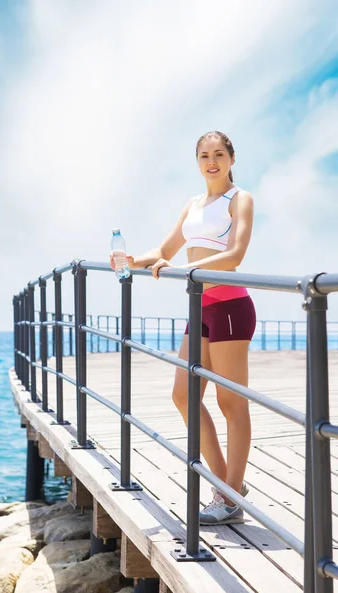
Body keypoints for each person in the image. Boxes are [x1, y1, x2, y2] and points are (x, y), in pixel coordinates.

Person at [110, 131, 256, 525]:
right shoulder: (193, 204)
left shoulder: (239, 199)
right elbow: (164, 253)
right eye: (205, 156)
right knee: (184, 395)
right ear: (197, 162)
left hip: (229, 306)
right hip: (200, 306)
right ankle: (230, 484)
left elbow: (236, 254)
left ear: (231, 158)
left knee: (231, 404)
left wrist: (184, 270)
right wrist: (131, 261)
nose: (212, 162)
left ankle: (228, 499)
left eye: (219, 154)